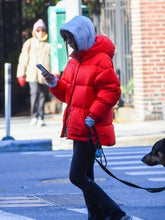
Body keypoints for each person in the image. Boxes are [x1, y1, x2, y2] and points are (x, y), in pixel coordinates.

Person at [41, 16, 143, 220]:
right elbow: (68, 95)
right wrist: (54, 83)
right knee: (86, 176)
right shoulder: (74, 62)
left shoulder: (101, 60)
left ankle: (116, 214)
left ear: (83, 37)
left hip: (89, 127)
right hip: (78, 127)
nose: (69, 43)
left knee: (76, 176)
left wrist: (93, 115)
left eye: (72, 39)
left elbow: (112, 90)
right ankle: (95, 216)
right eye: (67, 39)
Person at [17, 19, 51, 126]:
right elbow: (23, 58)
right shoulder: (29, 43)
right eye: (38, 30)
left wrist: (54, 73)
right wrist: (21, 73)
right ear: (34, 31)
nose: (40, 33)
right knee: (34, 94)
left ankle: (41, 116)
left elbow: (53, 60)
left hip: (44, 75)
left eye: (42, 30)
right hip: (32, 74)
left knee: (42, 96)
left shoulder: (48, 44)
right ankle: (34, 115)